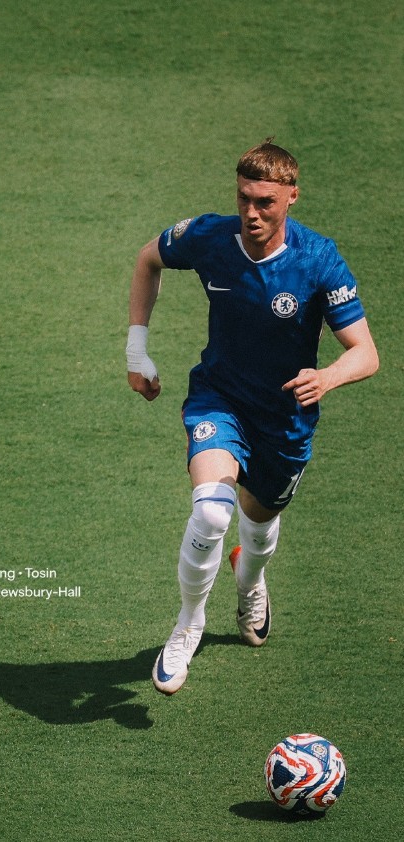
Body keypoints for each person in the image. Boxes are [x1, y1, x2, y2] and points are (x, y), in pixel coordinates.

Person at [126, 139, 379, 695]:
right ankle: (187, 625)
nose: (252, 213)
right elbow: (147, 261)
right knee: (211, 513)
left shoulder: (318, 259)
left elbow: (366, 353)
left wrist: (327, 377)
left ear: (291, 197)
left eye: (265, 202)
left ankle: (251, 580)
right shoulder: (210, 237)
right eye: (244, 198)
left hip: (285, 420)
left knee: (258, 524)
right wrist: (135, 351)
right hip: (218, 399)